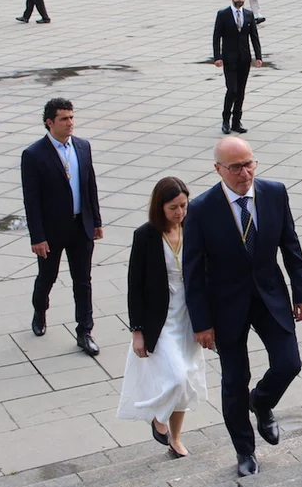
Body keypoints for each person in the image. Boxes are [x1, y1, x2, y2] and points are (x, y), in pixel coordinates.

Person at [182, 136, 302, 478]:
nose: (245, 173)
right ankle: (245, 450)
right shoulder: (201, 209)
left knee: (289, 363)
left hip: (270, 296)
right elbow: (192, 272)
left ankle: (262, 401)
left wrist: (301, 292)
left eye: (249, 164)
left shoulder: (275, 193)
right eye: (236, 167)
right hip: (226, 305)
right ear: (218, 169)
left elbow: (290, 245)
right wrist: (201, 322)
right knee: (235, 380)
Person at [117, 177, 208, 458]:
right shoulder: (145, 236)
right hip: (160, 319)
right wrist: (137, 330)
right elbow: (135, 285)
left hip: (189, 316)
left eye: (183, 205)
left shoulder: (194, 229)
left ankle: (175, 438)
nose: (180, 212)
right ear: (160, 207)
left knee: (186, 380)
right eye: (173, 208)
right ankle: (158, 417)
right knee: (177, 377)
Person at [20, 98, 103, 356]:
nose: (70, 123)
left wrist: (96, 221)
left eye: (71, 117)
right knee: (48, 277)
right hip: (52, 231)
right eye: (64, 119)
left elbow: (90, 186)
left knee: (83, 281)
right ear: (49, 123)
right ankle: (40, 310)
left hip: (81, 226)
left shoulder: (82, 146)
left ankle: (84, 331)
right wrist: (37, 237)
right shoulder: (34, 155)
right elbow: (31, 200)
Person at [214, 0, 263, 134]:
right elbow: (217, 37)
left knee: (241, 92)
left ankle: (236, 121)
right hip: (229, 59)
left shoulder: (248, 15)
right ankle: (225, 120)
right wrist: (217, 57)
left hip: (244, 59)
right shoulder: (223, 15)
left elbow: (254, 37)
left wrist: (258, 56)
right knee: (232, 90)